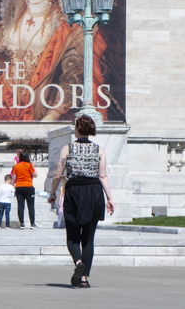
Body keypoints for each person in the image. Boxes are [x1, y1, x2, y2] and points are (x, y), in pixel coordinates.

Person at [49, 115, 115, 288]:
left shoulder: (67, 149)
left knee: (72, 238)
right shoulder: (99, 150)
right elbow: (103, 176)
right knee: (88, 239)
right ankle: (84, 279)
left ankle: (79, 264)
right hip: (94, 192)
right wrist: (109, 198)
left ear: (77, 129)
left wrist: (52, 193)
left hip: (74, 192)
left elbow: (58, 174)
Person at [13, 151, 38, 229]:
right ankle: (32, 224)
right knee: (30, 206)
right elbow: (35, 175)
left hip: (19, 187)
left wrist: (12, 186)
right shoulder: (29, 165)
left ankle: (22, 224)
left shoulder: (16, 166)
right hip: (28, 186)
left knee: (20, 206)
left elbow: (14, 178)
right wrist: (33, 167)